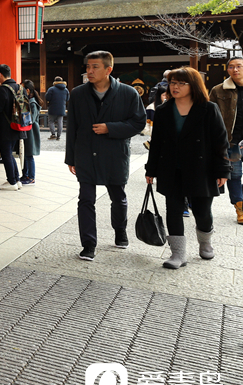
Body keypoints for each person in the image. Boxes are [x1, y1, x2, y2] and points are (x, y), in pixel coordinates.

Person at [65, 51, 147, 261]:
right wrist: (71, 158)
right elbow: (72, 126)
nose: (89, 71)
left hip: (114, 153)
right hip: (85, 152)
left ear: (109, 69)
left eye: (95, 67)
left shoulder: (129, 94)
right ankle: (89, 244)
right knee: (85, 200)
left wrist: (110, 128)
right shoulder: (77, 93)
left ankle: (120, 230)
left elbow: (139, 123)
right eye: (88, 67)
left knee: (118, 197)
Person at [145, 67, 229, 269]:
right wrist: (151, 169)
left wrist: (223, 170)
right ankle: (178, 254)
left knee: (202, 211)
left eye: (181, 83)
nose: (175, 87)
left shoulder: (208, 109)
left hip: (202, 168)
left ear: (193, 86)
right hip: (171, 169)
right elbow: (156, 143)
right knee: (173, 211)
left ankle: (205, 241)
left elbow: (220, 142)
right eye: (172, 82)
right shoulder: (164, 110)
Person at [208, 57, 243, 224]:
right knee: (234, 175)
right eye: (231, 67)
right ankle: (240, 208)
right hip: (232, 141)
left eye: (239, 66)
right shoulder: (219, 90)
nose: (235, 70)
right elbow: (210, 116)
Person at [0, 65, 27, 190]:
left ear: (0, 74)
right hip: (18, 125)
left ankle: (11, 182)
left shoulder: (3, 89)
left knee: (6, 154)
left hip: (5, 127)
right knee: (10, 154)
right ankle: (16, 180)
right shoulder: (20, 88)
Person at [20, 79, 43, 185]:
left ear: (27, 90)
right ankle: (25, 175)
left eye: (22, 88)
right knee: (26, 154)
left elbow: (32, 119)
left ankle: (31, 177)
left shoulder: (32, 103)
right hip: (28, 131)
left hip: (31, 132)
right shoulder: (29, 101)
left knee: (29, 155)